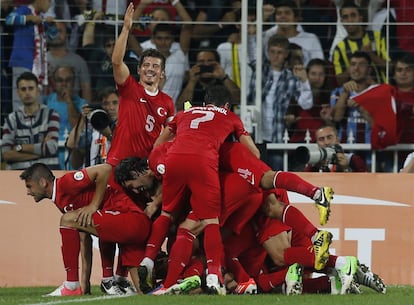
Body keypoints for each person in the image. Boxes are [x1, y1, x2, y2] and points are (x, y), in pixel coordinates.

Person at [20, 162, 151, 296]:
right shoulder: (62, 200)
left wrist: (94, 205)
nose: (28, 192)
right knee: (146, 294)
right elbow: (84, 239)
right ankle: (98, 282)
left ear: (43, 182)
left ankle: (72, 285)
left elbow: (105, 169)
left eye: (29, 186)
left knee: (67, 219)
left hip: (132, 220)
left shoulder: (66, 183)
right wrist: (85, 281)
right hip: (128, 231)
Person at [248, 34, 313, 169]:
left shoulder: (291, 77)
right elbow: (249, 51)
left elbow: (306, 104)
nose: (275, 56)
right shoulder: (259, 69)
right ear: (267, 52)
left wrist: (304, 80)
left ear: (286, 54)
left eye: (279, 52)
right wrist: (251, 33)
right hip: (254, 134)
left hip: (277, 136)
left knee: (275, 177)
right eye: (272, 52)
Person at [1, 71, 60, 170]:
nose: (27, 92)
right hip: (19, 174)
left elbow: (52, 148)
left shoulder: (51, 115)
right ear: (18, 92)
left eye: (31, 88)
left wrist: (21, 148)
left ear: (38, 90)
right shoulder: (11, 119)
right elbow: (6, 154)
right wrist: (41, 151)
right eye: (23, 89)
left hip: (48, 171)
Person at [6, 0, 54, 111]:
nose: (49, 4)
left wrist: (51, 25)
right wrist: (29, 18)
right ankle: (18, 125)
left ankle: (37, 125)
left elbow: (52, 37)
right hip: (22, 61)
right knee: (20, 98)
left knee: (37, 97)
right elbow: (9, 20)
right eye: (48, 1)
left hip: (38, 65)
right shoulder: (24, 10)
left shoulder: (41, 18)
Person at [331, 1, 388, 86]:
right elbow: (340, 81)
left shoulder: (378, 37)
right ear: (342, 21)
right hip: (355, 96)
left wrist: (371, 55)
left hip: (381, 91)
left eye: (353, 15)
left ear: (360, 18)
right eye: (345, 17)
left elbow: (390, 68)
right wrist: (354, 65)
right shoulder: (339, 49)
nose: (350, 20)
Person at [44, 65, 87, 169]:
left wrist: (68, 100)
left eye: (68, 80)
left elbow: (77, 129)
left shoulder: (82, 104)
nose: (64, 84)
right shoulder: (46, 102)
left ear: (73, 82)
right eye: (60, 80)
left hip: (73, 153)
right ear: (54, 82)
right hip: (51, 152)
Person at [66, 86, 119, 169]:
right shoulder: (92, 126)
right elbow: (70, 144)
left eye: (115, 103)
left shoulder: (126, 125)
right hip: (92, 175)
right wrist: (82, 119)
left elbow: (125, 149)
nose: (111, 108)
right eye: (106, 103)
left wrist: (108, 135)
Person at [286, 58, 336, 144]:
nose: (317, 78)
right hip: (299, 143)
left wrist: (327, 120)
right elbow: (288, 122)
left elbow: (334, 129)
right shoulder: (298, 94)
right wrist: (290, 121)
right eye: (313, 74)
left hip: (321, 144)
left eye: (321, 74)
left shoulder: (330, 98)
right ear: (307, 75)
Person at [262, 0, 325, 66]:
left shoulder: (311, 39)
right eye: (279, 13)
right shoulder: (267, 37)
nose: (282, 16)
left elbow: (319, 67)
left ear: (296, 18)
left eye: (287, 13)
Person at [331, 51, 375, 144]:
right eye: (353, 64)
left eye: (361, 65)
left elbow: (379, 126)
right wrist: (345, 93)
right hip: (345, 148)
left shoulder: (377, 92)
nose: (356, 68)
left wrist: (361, 107)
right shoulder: (338, 92)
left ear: (369, 69)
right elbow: (336, 118)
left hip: (369, 150)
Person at [176, 48, 241, 111]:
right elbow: (181, 108)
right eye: (201, 61)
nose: (206, 64)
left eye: (210, 61)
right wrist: (192, 82)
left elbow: (239, 101)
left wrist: (223, 77)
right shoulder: (189, 87)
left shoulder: (224, 84)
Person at [47, 21, 92, 103]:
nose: (56, 35)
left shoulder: (79, 61)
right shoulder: (40, 61)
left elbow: (86, 90)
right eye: (53, 31)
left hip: (74, 109)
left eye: (60, 31)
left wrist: (85, 113)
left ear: (67, 34)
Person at [302, 124, 367, 172]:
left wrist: (346, 168)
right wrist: (317, 167)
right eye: (321, 139)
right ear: (317, 144)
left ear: (338, 140)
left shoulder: (353, 160)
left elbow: (364, 182)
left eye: (329, 137)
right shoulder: (314, 165)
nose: (326, 142)